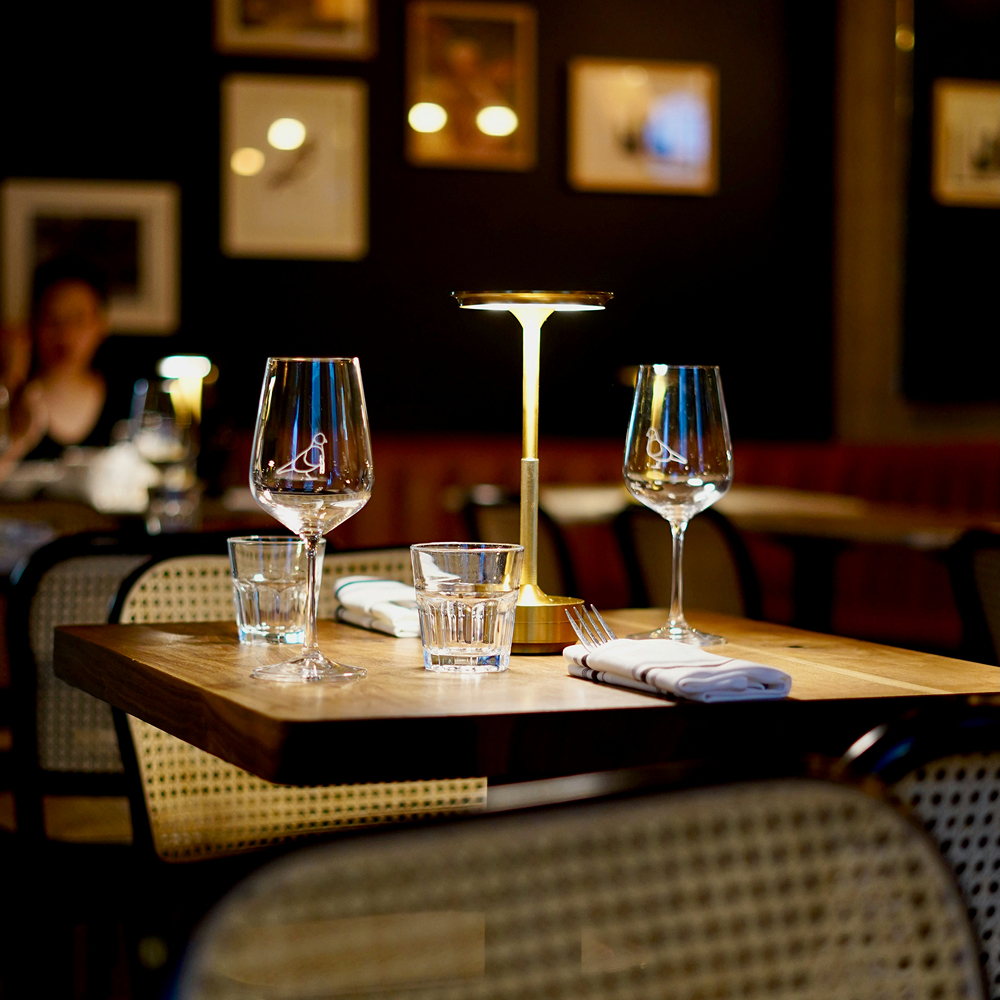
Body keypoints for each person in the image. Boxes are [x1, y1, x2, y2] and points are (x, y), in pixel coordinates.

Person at [0, 257, 125, 479]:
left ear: (101, 325)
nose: (65, 335)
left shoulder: (126, 402)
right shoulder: (11, 404)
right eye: (52, 320)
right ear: (33, 323)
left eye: (78, 320)